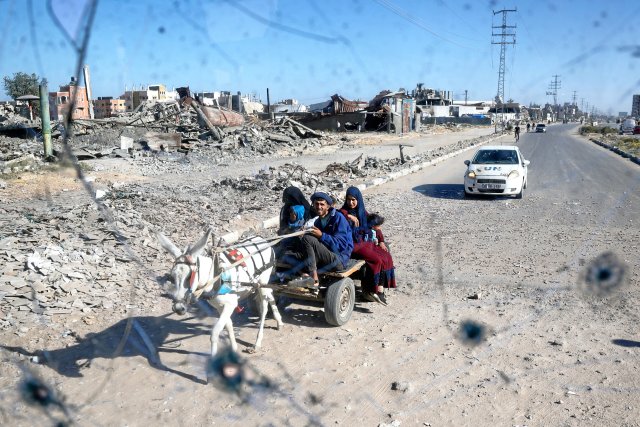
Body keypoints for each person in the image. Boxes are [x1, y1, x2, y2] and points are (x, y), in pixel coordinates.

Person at [281, 192, 353, 287]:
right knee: (287, 254)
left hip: (338, 258)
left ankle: (314, 280)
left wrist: (321, 236)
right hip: (324, 257)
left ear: (328, 206)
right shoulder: (318, 221)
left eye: (322, 204)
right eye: (316, 204)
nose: (319, 207)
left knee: (307, 239)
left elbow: (341, 245)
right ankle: (305, 276)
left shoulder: (338, 218)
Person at [339, 186, 396, 305]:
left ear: (358, 199)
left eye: (353, 199)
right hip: (352, 246)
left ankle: (380, 290)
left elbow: (374, 225)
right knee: (376, 259)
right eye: (348, 199)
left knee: (386, 256)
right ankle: (371, 291)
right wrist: (349, 216)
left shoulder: (362, 212)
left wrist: (380, 240)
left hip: (364, 243)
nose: (351, 202)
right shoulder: (343, 212)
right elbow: (337, 214)